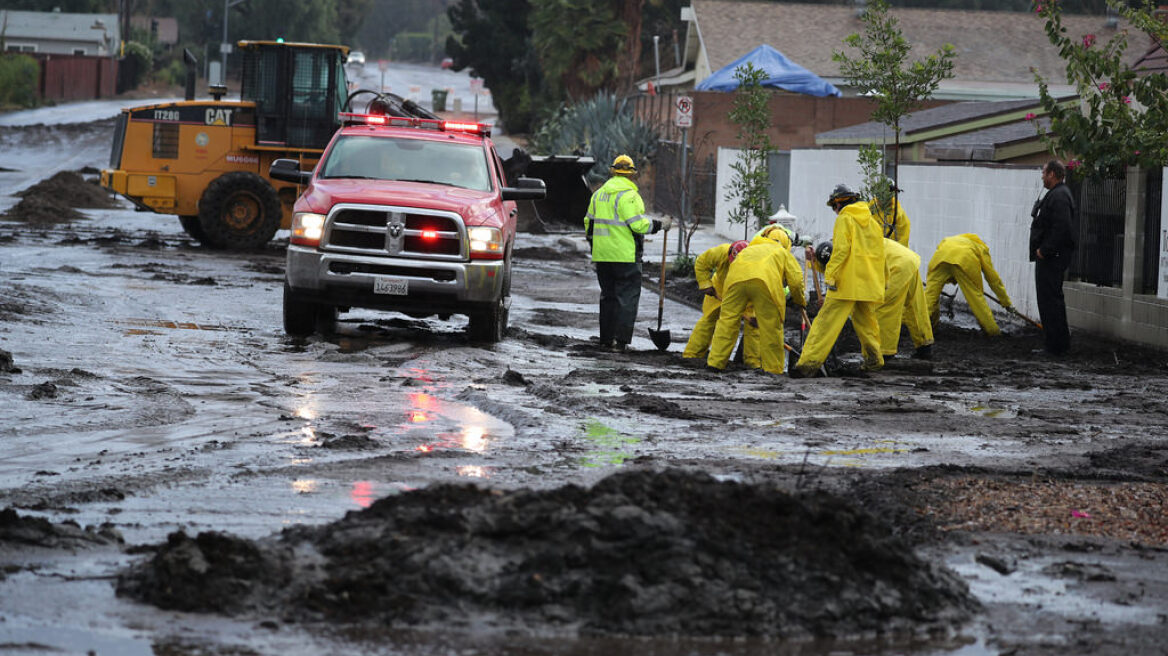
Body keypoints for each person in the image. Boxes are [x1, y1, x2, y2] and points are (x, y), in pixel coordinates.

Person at [794, 185, 886, 377]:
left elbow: (841, 250)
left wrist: (830, 277)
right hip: (868, 284)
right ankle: (874, 360)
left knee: (825, 324)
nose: (835, 212)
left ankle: (807, 364)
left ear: (839, 203)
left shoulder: (845, 219)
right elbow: (879, 255)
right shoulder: (873, 223)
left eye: (834, 207)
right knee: (867, 324)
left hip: (846, 284)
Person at [584, 155, 669, 351]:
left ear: (612, 171)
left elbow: (588, 224)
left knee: (608, 297)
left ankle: (606, 339)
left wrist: (595, 246)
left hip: (602, 256)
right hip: (625, 256)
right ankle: (620, 341)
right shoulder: (630, 196)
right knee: (627, 297)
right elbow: (637, 224)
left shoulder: (598, 194)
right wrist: (659, 224)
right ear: (632, 174)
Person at [707, 232, 805, 375]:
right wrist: (800, 300)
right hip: (764, 283)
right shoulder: (782, 252)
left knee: (726, 323)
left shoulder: (749, 249)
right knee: (770, 327)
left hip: (734, 281)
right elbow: (796, 282)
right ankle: (773, 369)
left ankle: (715, 363)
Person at [924, 233, 1012, 336]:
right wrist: (1006, 302)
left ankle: (924, 327)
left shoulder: (951, 239)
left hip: (939, 260)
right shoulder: (981, 248)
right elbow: (993, 279)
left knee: (929, 297)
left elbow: (940, 248)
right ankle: (993, 332)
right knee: (977, 300)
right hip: (965, 262)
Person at [1030, 159, 1075, 355]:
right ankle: (1054, 343)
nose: (1042, 176)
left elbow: (1061, 228)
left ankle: (1057, 346)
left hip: (1052, 257)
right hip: (1050, 256)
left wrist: (1044, 250)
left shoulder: (1060, 197)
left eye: (1044, 172)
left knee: (1051, 300)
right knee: (1048, 300)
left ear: (1053, 174)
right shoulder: (1056, 195)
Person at [877, 238, 933, 359]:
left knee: (886, 306)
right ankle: (924, 345)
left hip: (897, 265)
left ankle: (885, 352)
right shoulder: (855, 238)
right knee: (915, 304)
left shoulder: (846, 254)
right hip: (908, 259)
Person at [683, 241, 734, 359]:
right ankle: (692, 355)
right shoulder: (722, 252)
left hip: (741, 292)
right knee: (708, 320)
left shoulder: (754, 263)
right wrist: (706, 284)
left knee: (731, 325)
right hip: (719, 288)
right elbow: (702, 262)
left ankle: (750, 361)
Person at [870, 180, 910, 248]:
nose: (881, 197)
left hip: (891, 252)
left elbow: (903, 240)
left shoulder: (898, 214)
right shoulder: (870, 209)